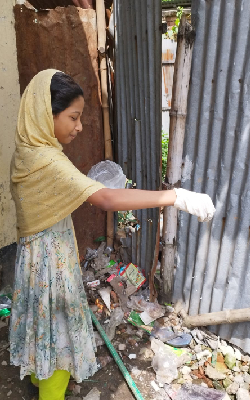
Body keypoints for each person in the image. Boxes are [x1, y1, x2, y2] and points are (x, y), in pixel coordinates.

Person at [10, 69, 215, 400]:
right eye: (73, 118)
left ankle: (37, 377)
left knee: (42, 323)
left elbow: (60, 192)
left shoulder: (28, 149)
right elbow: (105, 199)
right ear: (47, 114)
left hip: (32, 257)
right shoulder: (47, 159)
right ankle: (50, 390)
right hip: (51, 263)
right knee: (60, 331)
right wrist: (176, 197)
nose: (79, 127)